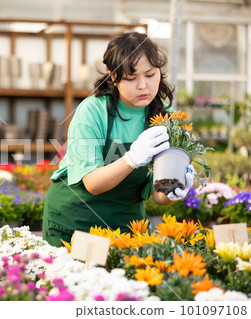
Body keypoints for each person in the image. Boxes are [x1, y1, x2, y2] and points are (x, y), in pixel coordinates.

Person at [43, 32, 194, 247]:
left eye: (150, 75)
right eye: (131, 78)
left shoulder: (167, 120)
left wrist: (176, 188)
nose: (143, 86)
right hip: (74, 223)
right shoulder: (93, 111)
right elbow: (93, 184)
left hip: (127, 227)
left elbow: (160, 198)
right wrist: (132, 158)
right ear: (113, 77)